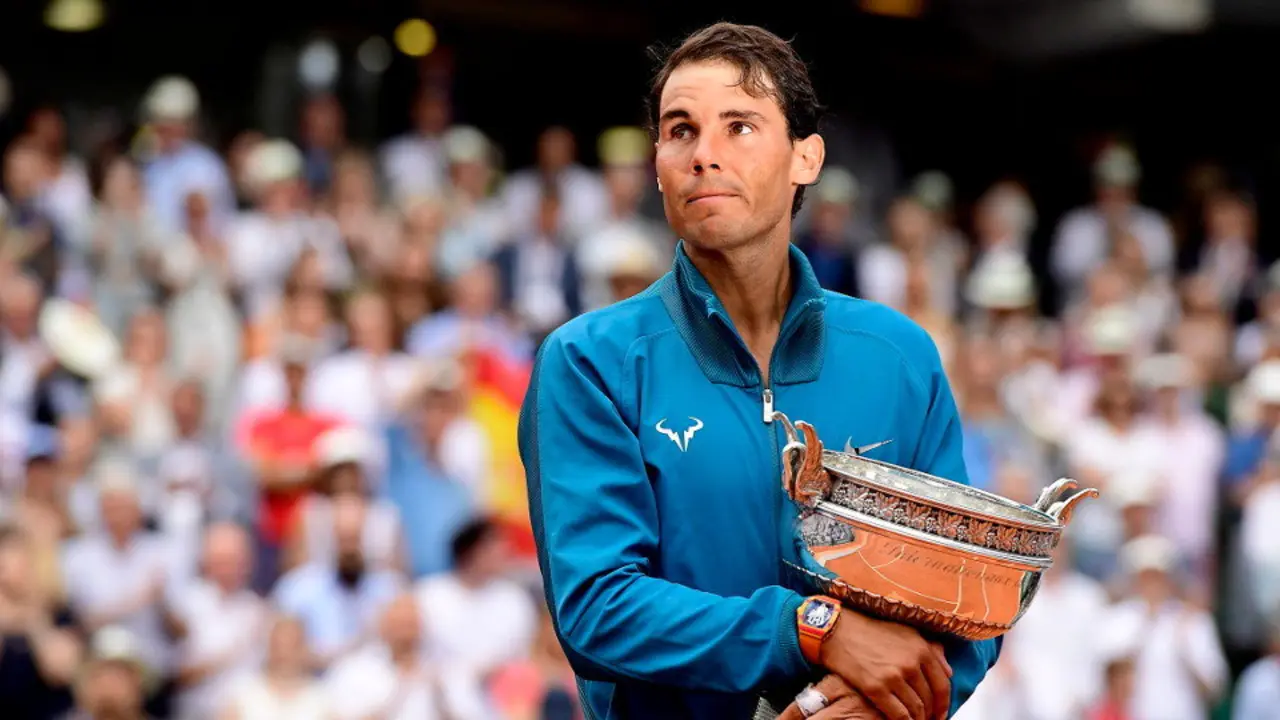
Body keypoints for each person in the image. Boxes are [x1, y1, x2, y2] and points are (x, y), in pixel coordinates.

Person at [517, 21, 998, 720]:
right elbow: (597, 605)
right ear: (656, 164)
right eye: (679, 131)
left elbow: (968, 596)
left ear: (807, 159)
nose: (703, 155)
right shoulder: (589, 361)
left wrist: (885, 703)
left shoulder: (900, 356)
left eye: (738, 127)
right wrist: (809, 631)